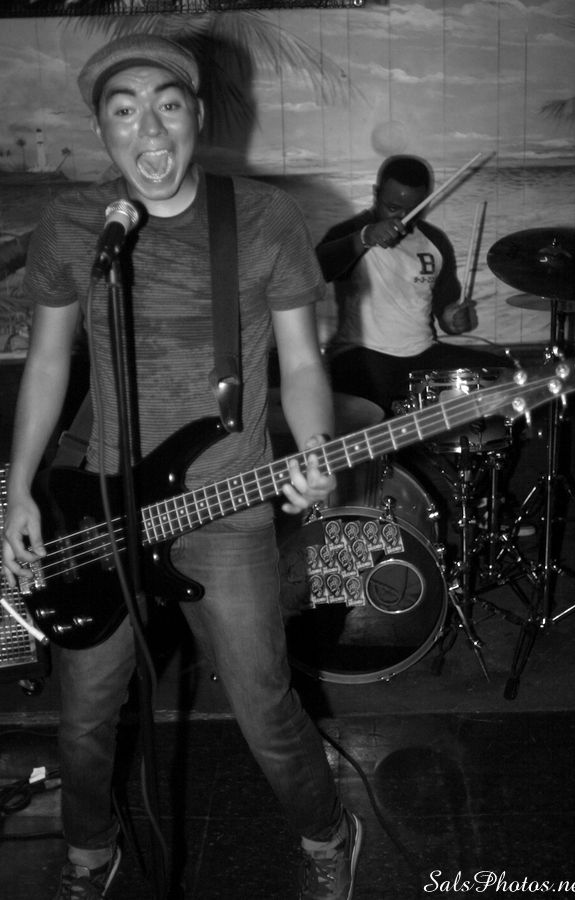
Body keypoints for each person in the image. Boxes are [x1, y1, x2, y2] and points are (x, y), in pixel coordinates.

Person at [1, 34, 362, 900]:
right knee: (84, 717)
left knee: (264, 707)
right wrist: (19, 489)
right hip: (99, 505)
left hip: (227, 504)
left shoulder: (263, 217)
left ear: (197, 114)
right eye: (125, 111)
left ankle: (327, 831)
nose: (150, 130)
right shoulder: (77, 225)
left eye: (168, 105)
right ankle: (90, 848)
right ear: (102, 129)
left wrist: (314, 451)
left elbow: (302, 362)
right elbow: (47, 362)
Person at [316, 154, 503, 416]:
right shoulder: (350, 233)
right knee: (370, 395)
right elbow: (315, 270)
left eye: (413, 210)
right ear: (376, 194)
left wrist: (454, 319)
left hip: (423, 352)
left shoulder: (435, 241)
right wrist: (366, 237)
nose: (403, 218)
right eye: (393, 208)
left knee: (503, 374)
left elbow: (446, 315)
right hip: (361, 352)